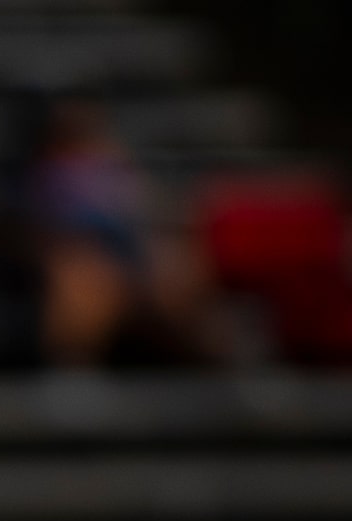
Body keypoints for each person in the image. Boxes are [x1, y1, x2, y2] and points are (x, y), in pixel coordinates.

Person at [22, 95, 215, 368]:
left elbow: (148, 209)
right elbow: (38, 228)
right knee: (83, 283)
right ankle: (74, 377)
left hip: (135, 249)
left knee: (179, 271)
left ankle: (212, 369)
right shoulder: (43, 171)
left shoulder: (114, 160)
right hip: (82, 252)